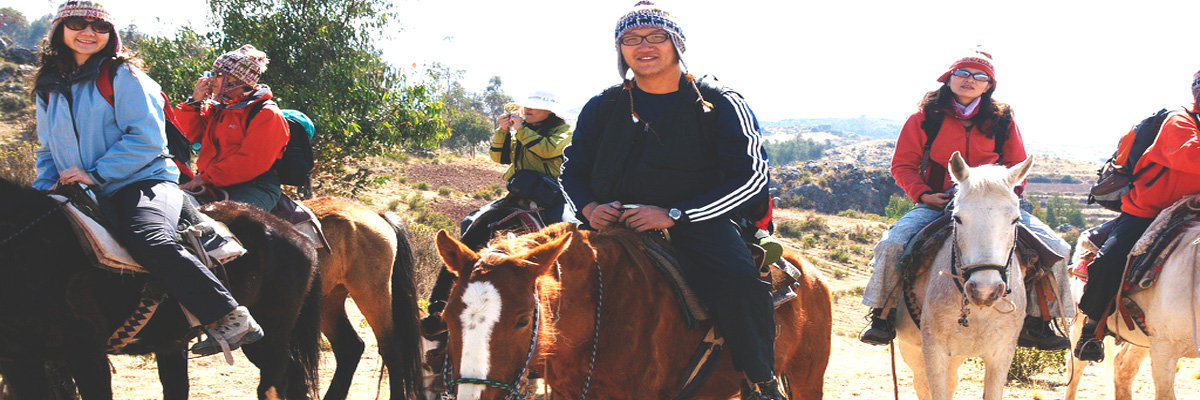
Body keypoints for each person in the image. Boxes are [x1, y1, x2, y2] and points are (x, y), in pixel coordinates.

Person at [558, 2, 781, 398]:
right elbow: (571, 171)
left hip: (697, 222)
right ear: (620, 49)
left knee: (738, 283)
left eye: (656, 36)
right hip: (608, 224)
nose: (644, 46)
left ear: (677, 43)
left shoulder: (720, 102)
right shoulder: (602, 106)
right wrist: (589, 207)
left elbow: (752, 178)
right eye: (631, 39)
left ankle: (760, 381)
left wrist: (677, 214)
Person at [30, 0, 261, 356]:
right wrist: (41, 192)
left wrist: (96, 174)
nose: (89, 33)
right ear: (60, 29)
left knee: (149, 238)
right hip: (77, 188)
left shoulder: (123, 75)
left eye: (99, 27)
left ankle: (228, 316)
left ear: (111, 34)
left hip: (140, 181)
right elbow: (48, 150)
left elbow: (147, 139)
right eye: (77, 23)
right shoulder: (49, 85)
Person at [858, 48, 1075, 351]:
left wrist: (1004, 198)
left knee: (1058, 249)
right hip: (938, 201)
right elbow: (903, 165)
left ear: (989, 86)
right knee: (892, 244)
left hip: (993, 203)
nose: (969, 80)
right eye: (962, 73)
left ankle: (1041, 322)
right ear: (949, 78)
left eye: (979, 76)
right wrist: (923, 193)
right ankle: (881, 315)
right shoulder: (924, 118)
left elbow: (1017, 165)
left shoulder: (1002, 120)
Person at [1074, 69, 1200, 361]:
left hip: (1194, 210)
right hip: (1150, 211)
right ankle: (1092, 327)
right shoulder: (1179, 120)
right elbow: (1190, 155)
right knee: (1110, 259)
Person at [175, 45, 289, 211]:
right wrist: (193, 103)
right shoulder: (217, 108)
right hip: (211, 181)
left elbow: (250, 161)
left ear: (239, 80)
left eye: (218, 74)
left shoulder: (267, 114)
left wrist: (205, 178)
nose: (211, 79)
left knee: (233, 221)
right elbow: (188, 135)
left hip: (254, 185)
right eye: (212, 73)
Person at [490, 91, 573, 223]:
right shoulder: (522, 131)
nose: (528, 109)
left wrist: (521, 130)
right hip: (520, 192)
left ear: (550, 111)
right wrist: (503, 131)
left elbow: (547, 150)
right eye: (526, 105)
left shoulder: (565, 131)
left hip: (553, 195)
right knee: (469, 221)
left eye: (535, 106)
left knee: (569, 226)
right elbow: (498, 158)